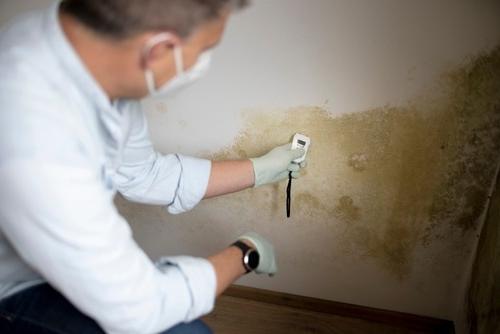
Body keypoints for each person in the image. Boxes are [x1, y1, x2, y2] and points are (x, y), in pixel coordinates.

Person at [0, 0, 307, 333]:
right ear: (160, 49)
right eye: (206, 49)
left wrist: (261, 169)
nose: (202, 62)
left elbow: (144, 174)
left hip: (45, 258)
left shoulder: (86, 58)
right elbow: (142, 310)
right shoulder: (35, 143)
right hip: (12, 287)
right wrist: (246, 254)